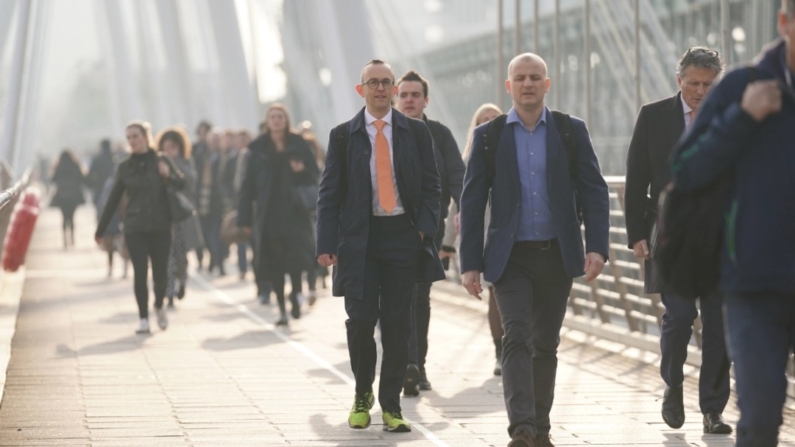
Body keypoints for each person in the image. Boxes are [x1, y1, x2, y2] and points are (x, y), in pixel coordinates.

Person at [459, 53, 610, 447]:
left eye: (535, 77)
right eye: (520, 78)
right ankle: (521, 428)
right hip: (510, 258)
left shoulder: (569, 130)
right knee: (516, 336)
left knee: (546, 343)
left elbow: (594, 191)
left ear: (547, 84)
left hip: (558, 253)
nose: (528, 84)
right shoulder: (490, 135)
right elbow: (472, 201)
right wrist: (469, 264)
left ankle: (541, 428)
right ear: (508, 86)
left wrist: (596, 247)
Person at [670, 2, 794, 444]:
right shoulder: (742, 86)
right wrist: (743, 116)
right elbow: (685, 169)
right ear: (784, 23)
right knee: (760, 416)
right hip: (753, 282)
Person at [316, 59, 444, 433]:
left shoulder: (416, 133)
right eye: (373, 82)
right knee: (360, 321)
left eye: (387, 82)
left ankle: (391, 405)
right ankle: (361, 394)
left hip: (402, 236)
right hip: (359, 239)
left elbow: (433, 186)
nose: (381, 89)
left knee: (397, 324)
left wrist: (422, 231)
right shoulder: (343, 135)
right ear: (361, 90)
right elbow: (328, 193)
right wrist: (326, 242)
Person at [624, 47, 731, 434]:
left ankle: (713, 410)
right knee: (680, 316)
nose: (701, 92)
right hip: (671, 237)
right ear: (679, 81)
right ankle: (673, 383)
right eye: (694, 84)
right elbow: (635, 179)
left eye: (709, 84)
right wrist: (636, 233)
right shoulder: (653, 117)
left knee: (719, 325)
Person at [394, 69, 465, 396]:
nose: (409, 100)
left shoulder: (439, 134)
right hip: (389, 230)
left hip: (429, 230)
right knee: (395, 299)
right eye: (404, 95)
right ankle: (401, 362)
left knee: (419, 297)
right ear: (397, 97)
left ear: (425, 100)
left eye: (415, 95)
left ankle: (416, 366)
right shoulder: (383, 131)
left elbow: (456, 176)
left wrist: (465, 210)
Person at [95, 121, 185, 334]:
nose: (132, 141)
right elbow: (113, 199)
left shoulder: (162, 160)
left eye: (135, 136)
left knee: (161, 272)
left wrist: (168, 175)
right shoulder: (125, 167)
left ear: (146, 136)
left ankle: (159, 305)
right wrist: (101, 230)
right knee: (140, 272)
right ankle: (143, 317)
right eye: (129, 138)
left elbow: (182, 184)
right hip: (135, 226)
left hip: (161, 225)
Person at [238, 104, 319, 325]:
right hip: (268, 214)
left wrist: (300, 171)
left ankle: (295, 295)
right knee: (275, 262)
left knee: (295, 259)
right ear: (267, 121)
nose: (276, 120)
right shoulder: (257, 149)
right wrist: (244, 218)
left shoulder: (298, 144)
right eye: (272, 117)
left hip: (294, 212)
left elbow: (315, 174)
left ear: (286, 120)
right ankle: (282, 309)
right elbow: (247, 186)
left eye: (280, 116)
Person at [442, 103, 504, 376]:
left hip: (515, 235)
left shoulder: (516, 153)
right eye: (484, 120)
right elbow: (460, 206)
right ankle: (501, 351)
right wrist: (447, 243)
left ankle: (516, 349)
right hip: (485, 237)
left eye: (494, 119)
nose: (489, 123)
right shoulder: (470, 160)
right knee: (495, 293)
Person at [157, 127, 203, 308]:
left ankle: (182, 282)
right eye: (166, 146)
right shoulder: (157, 161)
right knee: (167, 256)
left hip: (181, 215)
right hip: (163, 216)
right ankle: (169, 293)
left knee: (181, 255)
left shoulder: (185, 160)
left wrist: (174, 162)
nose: (169, 149)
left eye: (173, 146)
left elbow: (190, 180)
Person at [50, 150, 86, 249]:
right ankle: (72, 239)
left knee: (64, 218)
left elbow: (53, 179)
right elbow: (82, 179)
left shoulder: (59, 166)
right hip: (74, 196)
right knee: (72, 217)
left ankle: (64, 241)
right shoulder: (75, 165)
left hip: (62, 196)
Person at [192, 120, 212, 270]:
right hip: (195, 191)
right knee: (198, 226)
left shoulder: (213, 148)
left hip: (211, 193)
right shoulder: (194, 148)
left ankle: (213, 257)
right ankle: (199, 257)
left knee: (210, 228)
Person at [86, 139, 114, 208]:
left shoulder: (96, 159)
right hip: (113, 185)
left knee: (99, 207)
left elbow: (90, 173)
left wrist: (90, 184)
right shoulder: (115, 158)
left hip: (99, 185)